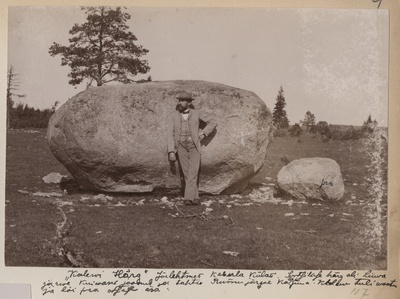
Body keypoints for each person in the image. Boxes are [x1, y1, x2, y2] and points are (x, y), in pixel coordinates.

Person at [167, 91, 217, 205]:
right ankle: (195, 197)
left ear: (189, 103)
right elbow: (169, 134)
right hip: (180, 146)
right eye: (179, 100)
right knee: (186, 172)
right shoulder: (173, 116)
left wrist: (203, 133)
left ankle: (187, 198)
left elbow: (213, 122)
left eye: (183, 100)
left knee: (193, 172)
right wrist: (171, 151)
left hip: (194, 145)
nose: (180, 102)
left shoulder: (197, 113)